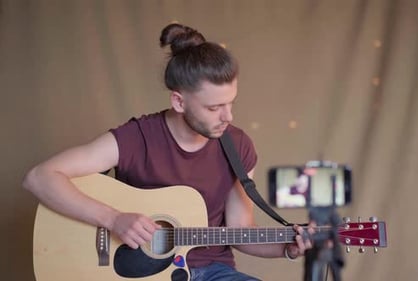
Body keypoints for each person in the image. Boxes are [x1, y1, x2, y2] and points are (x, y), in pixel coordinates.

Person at [23, 23, 314, 281]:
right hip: (138, 273)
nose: (228, 117)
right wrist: (112, 219)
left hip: (212, 271)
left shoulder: (238, 146)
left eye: (231, 103)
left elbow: (241, 230)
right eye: (214, 108)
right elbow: (39, 177)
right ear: (178, 102)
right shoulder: (136, 138)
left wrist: (286, 248)